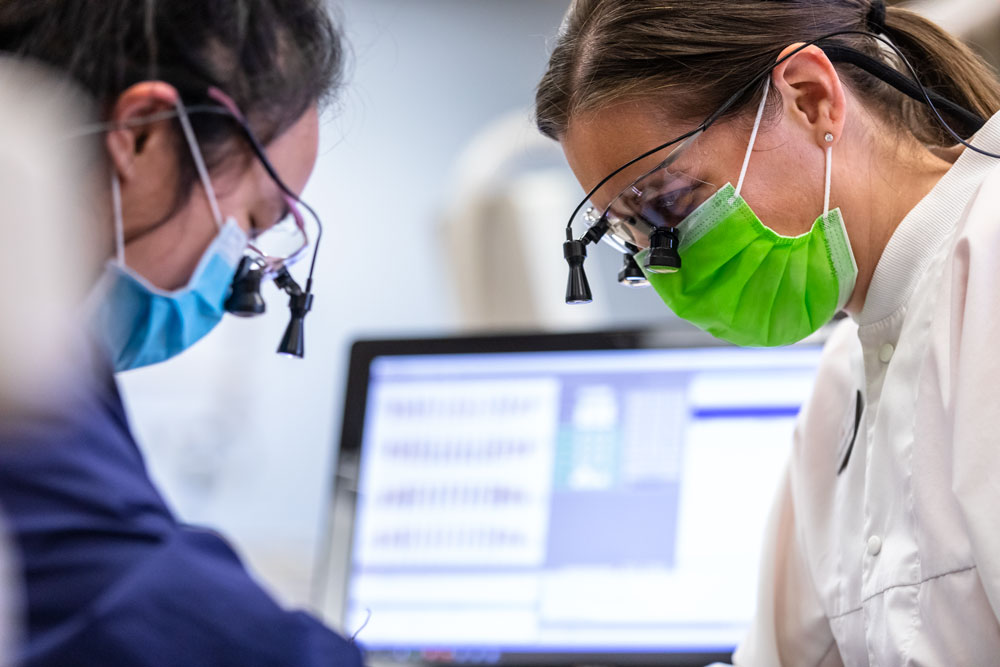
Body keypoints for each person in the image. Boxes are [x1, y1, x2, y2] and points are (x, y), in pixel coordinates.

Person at [535, 0, 1000, 664]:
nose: (668, 268)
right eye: (627, 237)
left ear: (811, 99)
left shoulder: (988, 256)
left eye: (667, 205)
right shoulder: (847, 374)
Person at [0, 2, 363, 665]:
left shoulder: (50, 365)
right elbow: (131, 598)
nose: (234, 280)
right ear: (142, 132)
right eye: (252, 222)